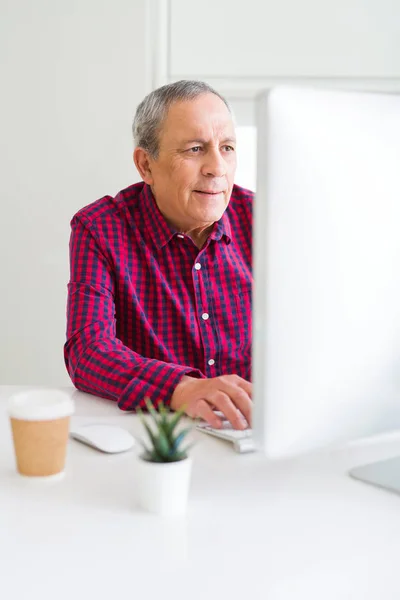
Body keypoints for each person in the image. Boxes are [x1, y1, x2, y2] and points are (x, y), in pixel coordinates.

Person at [64, 80, 253, 430]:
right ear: (146, 165)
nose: (217, 168)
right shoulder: (100, 228)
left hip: (253, 434)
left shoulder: (265, 219)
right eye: (195, 149)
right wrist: (182, 389)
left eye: (226, 147)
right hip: (154, 439)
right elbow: (88, 351)